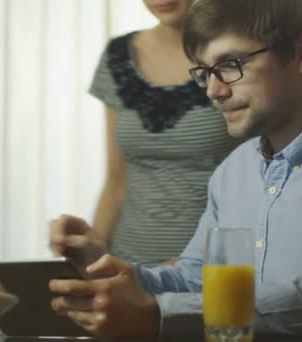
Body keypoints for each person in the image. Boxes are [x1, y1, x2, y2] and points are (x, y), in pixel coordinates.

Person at [49, 0, 302, 340]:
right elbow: (196, 279)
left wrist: (156, 315)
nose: (213, 91)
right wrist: (107, 271)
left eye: (230, 65)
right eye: (203, 73)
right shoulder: (233, 171)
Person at [89, 0, 240, 267]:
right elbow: (116, 181)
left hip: (213, 269)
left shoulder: (237, 54)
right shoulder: (117, 55)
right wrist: (90, 264)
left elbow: (260, 181)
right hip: (128, 269)